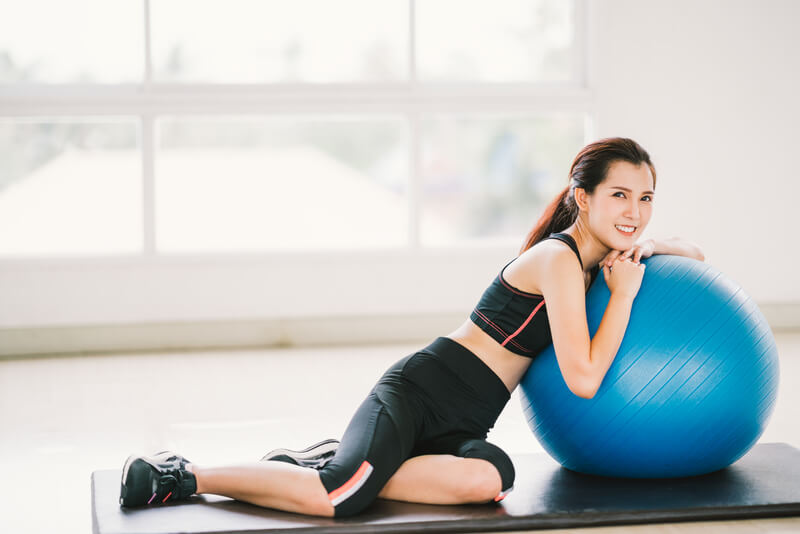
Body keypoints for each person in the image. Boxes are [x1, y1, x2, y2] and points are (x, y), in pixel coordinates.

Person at [118, 137, 705, 518]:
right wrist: (625, 296)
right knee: (341, 497)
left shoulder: (597, 257)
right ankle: (183, 475)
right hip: (424, 392)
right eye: (620, 195)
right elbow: (582, 378)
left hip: (466, 420)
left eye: (646, 198)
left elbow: (691, 254)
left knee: (490, 479)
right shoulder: (557, 259)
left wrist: (649, 245)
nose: (634, 210)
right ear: (582, 197)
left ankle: (333, 458)